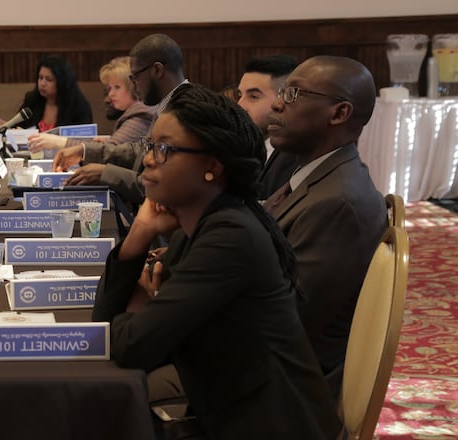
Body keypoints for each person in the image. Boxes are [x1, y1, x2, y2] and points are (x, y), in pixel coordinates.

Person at [92, 84, 341, 440]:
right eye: (150, 146)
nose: (148, 159)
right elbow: (110, 331)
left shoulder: (229, 236)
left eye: (164, 149)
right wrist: (138, 237)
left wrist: (140, 313)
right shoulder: (205, 224)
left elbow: (132, 345)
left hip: (269, 426)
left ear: (211, 166)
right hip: (230, 412)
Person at [264, 55, 388, 396]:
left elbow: (285, 324)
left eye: (292, 94)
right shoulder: (316, 175)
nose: (276, 104)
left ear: (339, 113)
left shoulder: (338, 203)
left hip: (283, 390)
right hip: (269, 365)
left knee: (128, 382)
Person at [51, 34, 190, 206]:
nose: (135, 85)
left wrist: (105, 173)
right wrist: (84, 150)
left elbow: (163, 187)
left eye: (135, 76)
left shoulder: (185, 112)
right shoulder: (167, 105)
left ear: (157, 70)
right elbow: (139, 150)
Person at [26, 56, 154, 152]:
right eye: (110, 88)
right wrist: (109, 140)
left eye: (117, 87)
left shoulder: (140, 115)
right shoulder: (134, 112)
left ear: (133, 86)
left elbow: (109, 151)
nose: (110, 95)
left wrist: (59, 142)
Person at [236, 54, 299, 199]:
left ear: (283, 99)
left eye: (253, 97)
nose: (240, 105)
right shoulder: (246, 147)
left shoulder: (293, 157)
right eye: (240, 95)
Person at [0, 55, 92, 131]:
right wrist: (6, 127)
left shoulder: (79, 107)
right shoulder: (32, 101)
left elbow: (82, 142)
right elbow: (18, 129)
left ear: (62, 82)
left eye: (49, 79)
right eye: (40, 78)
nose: (42, 83)